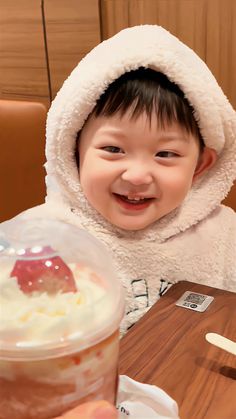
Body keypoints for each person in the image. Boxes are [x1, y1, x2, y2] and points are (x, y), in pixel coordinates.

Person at [2, 24, 236, 419]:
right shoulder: (41, 240)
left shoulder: (223, 233)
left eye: (165, 154)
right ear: (74, 149)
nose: (138, 175)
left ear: (201, 165)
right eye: (113, 149)